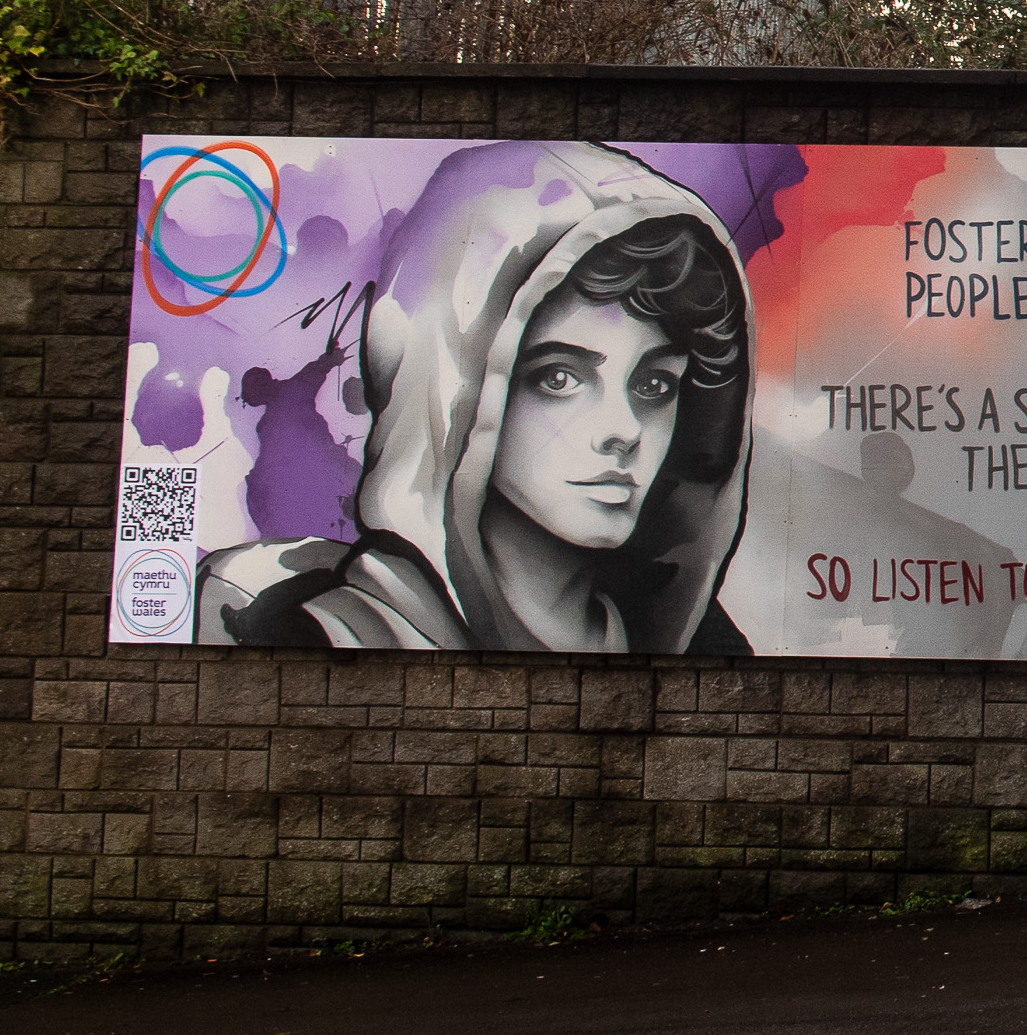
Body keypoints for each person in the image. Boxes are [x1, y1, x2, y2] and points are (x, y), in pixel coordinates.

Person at [200, 141, 756, 654]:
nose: (625, 430)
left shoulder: (709, 653)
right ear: (449, 387)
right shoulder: (329, 642)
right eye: (558, 378)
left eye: (655, 385)